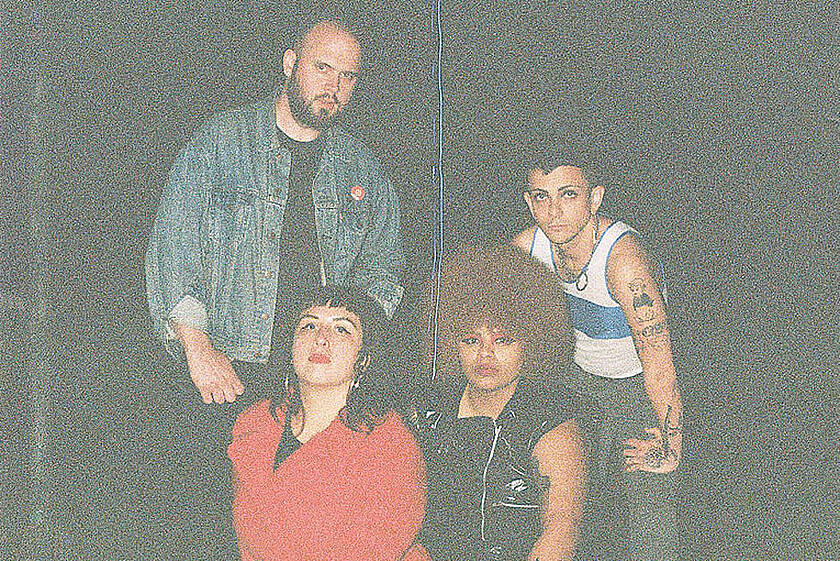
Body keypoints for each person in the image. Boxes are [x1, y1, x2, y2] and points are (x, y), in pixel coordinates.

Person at [145, 16, 404, 407]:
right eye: (323, 68)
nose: (333, 87)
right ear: (290, 63)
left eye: (347, 76)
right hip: (227, 372)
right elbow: (173, 248)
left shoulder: (363, 168)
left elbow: (383, 270)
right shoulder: (221, 140)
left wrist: (348, 353)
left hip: (317, 384)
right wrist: (198, 350)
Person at [512, 143, 682, 560]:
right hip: (575, 382)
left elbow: (659, 364)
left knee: (651, 508)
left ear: (595, 198)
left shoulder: (624, 261)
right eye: (542, 197)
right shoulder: (526, 249)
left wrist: (673, 442)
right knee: (560, 501)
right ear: (529, 202)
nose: (554, 212)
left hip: (637, 389)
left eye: (568, 194)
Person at [229, 285, 428, 561]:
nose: (320, 338)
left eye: (341, 329)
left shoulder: (390, 445)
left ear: (364, 359)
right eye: (309, 326)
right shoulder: (256, 422)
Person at [414, 244, 586, 561]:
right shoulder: (427, 411)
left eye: (503, 340)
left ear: (532, 343)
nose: (485, 354)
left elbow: (561, 528)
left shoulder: (552, 422)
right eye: (471, 340)